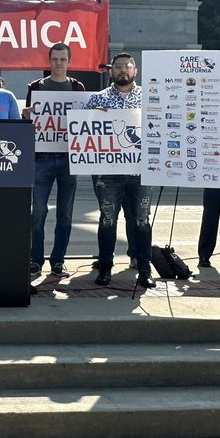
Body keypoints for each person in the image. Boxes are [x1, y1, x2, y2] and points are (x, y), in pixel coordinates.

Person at [85, 53, 155, 288]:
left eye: (128, 66)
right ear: (111, 72)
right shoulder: (97, 99)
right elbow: (85, 133)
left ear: (135, 71)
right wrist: (96, 116)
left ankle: (145, 270)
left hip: (141, 172)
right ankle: (105, 267)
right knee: (107, 220)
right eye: (118, 66)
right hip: (109, 174)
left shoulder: (150, 98)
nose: (123, 70)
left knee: (142, 220)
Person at [22, 42, 86, 277]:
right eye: (55, 59)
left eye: (63, 59)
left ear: (69, 62)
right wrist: (25, 114)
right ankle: (36, 259)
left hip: (70, 158)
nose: (58, 63)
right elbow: (28, 121)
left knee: (66, 213)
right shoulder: (36, 87)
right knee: (38, 211)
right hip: (42, 159)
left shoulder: (78, 88)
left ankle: (58, 260)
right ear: (49, 61)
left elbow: (85, 121)